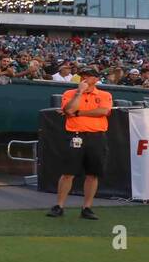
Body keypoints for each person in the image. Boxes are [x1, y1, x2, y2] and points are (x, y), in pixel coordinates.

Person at [47, 67, 112, 220]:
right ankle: (59, 206)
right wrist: (79, 92)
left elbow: (103, 111)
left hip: (96, 136)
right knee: (68, 173)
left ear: (96, 79)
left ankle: (87, 207)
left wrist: (80, 113)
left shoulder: (104, 94)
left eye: (89, 76)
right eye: (83, 76)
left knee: (92, 174)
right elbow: (69, 110)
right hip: (74, 135)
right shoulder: (69, 93)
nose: (85, 79)